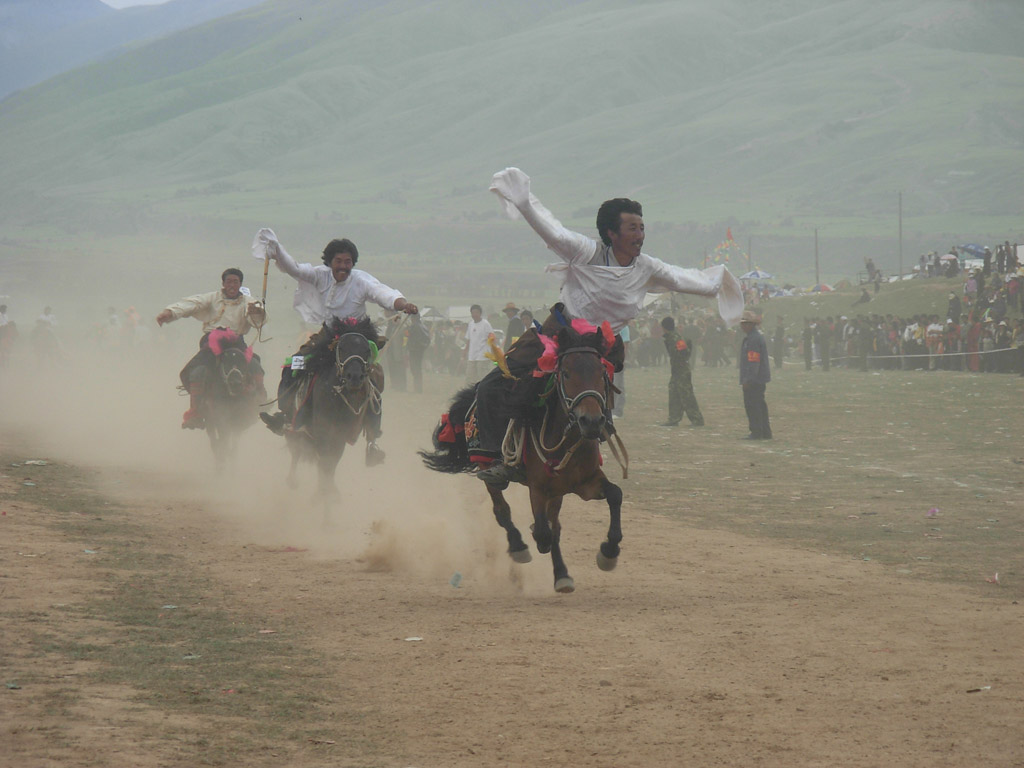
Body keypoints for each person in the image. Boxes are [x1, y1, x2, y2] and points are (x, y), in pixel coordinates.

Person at [474, 167, 741, 485]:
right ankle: (496, 458)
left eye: (642, 228)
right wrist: (525, 204)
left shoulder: (646, 267)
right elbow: (555, 234)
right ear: (612, 234)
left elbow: (683, 279)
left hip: (601, 348)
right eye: (632, 228)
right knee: (493, 385)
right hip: (558, 333)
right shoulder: (587, 253)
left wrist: (716, 282)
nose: (640, 234)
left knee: (594, 406)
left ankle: (587, 455)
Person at [253, 230, 417, 465]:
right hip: (328, 336)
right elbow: (294, 269)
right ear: (329, 261)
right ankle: (285, 415)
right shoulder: (320, 275)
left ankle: (372, 441)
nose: (343, 266)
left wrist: (403, 304)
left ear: (353, 263)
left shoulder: (361, 280)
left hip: (358, 337)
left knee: (374, 377)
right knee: (294, 363)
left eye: (348, 262)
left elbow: (383, 293)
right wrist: (276, 249)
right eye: (338, 261)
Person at [156, 268, 267, 429]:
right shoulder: (212, 298)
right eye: (229, 281)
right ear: (223, 283)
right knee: (195, 372)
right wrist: (170, 312)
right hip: (212, 342)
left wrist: (258, 313)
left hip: (237, 342)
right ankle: (195, 412)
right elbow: (191, 304)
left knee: (255, 365)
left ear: (240, 284)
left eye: (235, 282)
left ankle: (260, 400)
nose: (232, 285)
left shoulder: (248, 302)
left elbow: (258, 319)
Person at [659, 316, 703, 427]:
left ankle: (697, 419)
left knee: (686, 395)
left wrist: (680, 363)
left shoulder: (676, 338)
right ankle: (674, 418)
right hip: (676, 370)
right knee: (674, 393)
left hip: (682, 370)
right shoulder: (670, 337)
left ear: (664, 327)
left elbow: (685, 353)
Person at [738, 309, 771, 440]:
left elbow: (753, 362)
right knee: (760, 405)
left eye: (744, 324)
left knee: (753, 406)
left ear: (750, 325)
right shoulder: (753, 338)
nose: (742, 326)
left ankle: (757, 432)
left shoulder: (753, 340)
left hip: (755, 380)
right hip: (759, 378)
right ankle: (765, 432)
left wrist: (748, 380)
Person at [464, 304, 494, 384]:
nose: (474, 315)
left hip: (483, 356)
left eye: (476, 312)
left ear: (480, 313)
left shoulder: (485, 324)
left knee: (482, 377)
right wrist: (465, 351)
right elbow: (469, 339)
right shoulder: (470, 324)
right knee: (470, 378)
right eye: (473, 313)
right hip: (472, 356)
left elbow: (491, 338)